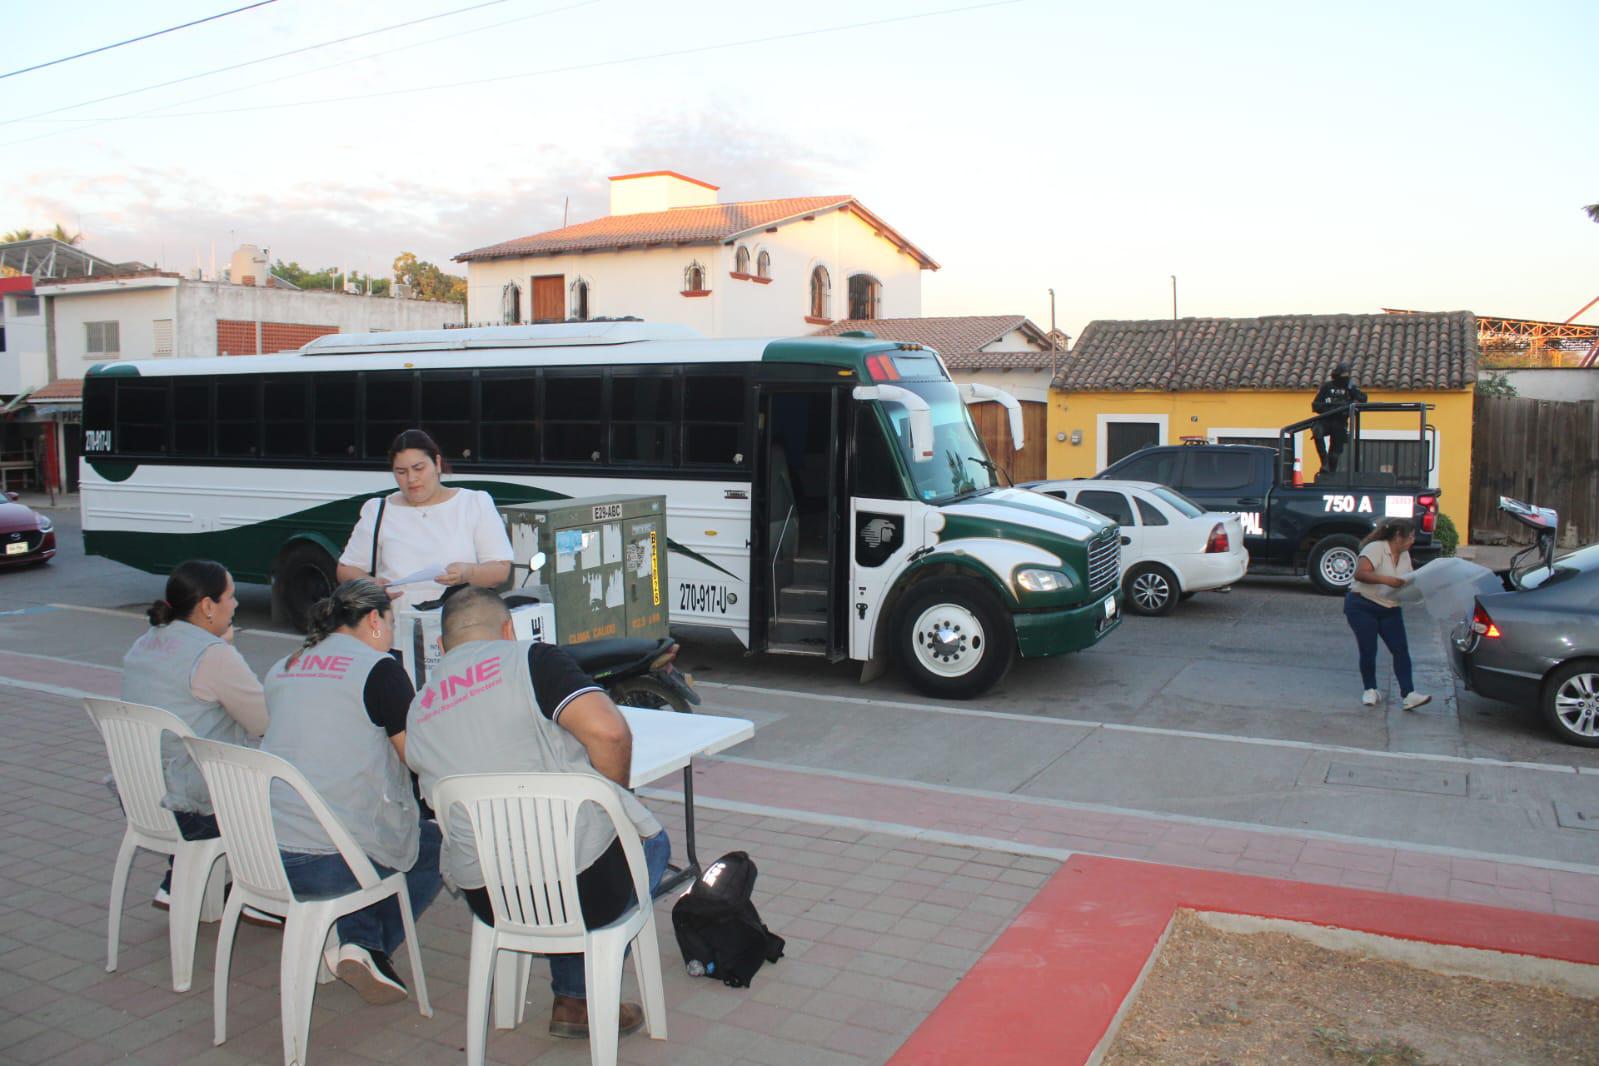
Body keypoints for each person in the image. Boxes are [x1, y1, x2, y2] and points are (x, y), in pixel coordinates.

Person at [405, 587, 671, 1041]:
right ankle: (580, 994)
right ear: (508, 629)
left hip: (489, 895)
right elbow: (609, 733)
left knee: (566, 855)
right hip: (581, 888)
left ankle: (571, 997)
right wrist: (614, 801)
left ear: (442, 648)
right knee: (648, 840)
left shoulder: (418, 707)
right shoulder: (531, 660)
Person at [261, 579, 443, 1004]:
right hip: (327, 863)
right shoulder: (379, 670)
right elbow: (416, 761)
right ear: (374, 619)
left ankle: (355, 937)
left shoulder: (285, 665)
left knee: (351, 814)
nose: (392, 634)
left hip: (263, 851)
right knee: (434, 843)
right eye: (391, 623)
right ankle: (366, 945)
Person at [121, 559, 279, 926]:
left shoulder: (145, 642)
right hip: (194, 809)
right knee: (286, 784)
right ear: (208, 606)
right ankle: (264, 894)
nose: (236, 604)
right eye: (231, 596)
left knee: (190, 753)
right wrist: (224, 650)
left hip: (143, 798)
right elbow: (264, 723)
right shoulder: (211, 655)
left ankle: (177, 880)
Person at [336, 427, 514, 620]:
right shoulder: (378, 510)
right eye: (401, 472)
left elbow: (500, 571)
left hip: (461, 625)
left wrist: (467, 573)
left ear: (437, 463)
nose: (411, 479)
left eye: (419, 468)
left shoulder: (474, 503)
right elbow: (346, 569)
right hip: (395, 628)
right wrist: (371, 584)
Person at [1345, 519, 1431, 710]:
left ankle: (1409, 694)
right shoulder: (1376, 548)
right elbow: (1361, 573)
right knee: (1368, 648)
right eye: (1410, 537)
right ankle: (1370, 689)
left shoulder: (1405, 555)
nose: (1413, 540)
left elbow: (1407, 579)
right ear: (1398, 536)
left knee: (1400, 649)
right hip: (1363, 604)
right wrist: (1388, 580)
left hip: (1390, 607)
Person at [1310, 362, 1368, 475]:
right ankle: (1324, 462)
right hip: (1326, 420)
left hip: (1340, 422)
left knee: (1335, 453)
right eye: (1342, 376)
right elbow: (1315, 404)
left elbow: (1363, 399)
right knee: (1317, 430)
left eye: (1346, 377)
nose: (1343, 379)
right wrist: (1329, 408)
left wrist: (1351, 389)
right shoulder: (1327, 387)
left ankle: (1330, 473)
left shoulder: (1350, 388)